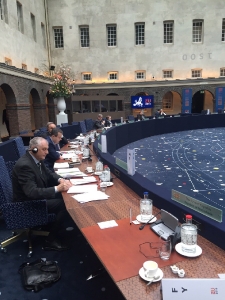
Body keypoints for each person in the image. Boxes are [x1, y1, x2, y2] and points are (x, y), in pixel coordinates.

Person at [12, 137, 73, 251]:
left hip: (36, 196)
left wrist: (61, 180)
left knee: (64, 197)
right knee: (64, 205)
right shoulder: (25, 165)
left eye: (47, 149)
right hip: (26, 203)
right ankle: (50, 240)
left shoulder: (36, 159)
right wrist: (57, 188)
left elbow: (49, 174)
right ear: (34, 149)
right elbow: (31, 192)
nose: (47, 152)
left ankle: (52, 226)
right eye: (44, 149)